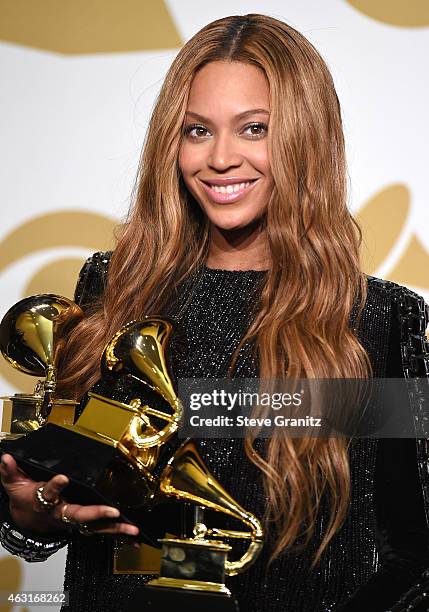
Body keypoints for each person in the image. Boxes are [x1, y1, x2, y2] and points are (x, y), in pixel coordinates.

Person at [1, 13, 429, 612]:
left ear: (306, 138)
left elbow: (414, 555)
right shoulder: (112, 291)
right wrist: (36, 512)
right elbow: (65, 512)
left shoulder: (378, 321)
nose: (220, 158)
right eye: (197, 131)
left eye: (254, 129)